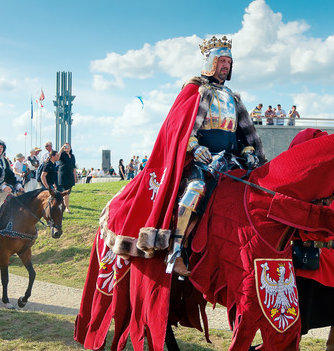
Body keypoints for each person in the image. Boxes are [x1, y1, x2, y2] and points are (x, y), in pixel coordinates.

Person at [97, 35, 265, 275]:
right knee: (194, 192)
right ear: (210, 63)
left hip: (231, 160)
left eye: (228, 62)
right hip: (201, 160)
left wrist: (249, 151)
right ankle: (176, 252)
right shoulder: (196, 90)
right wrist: (195, 148)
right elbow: (178, 130)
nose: (225, 66)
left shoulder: (233, 98)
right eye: (221, 61)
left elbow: (243, 135)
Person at [57, 142, 77, 212]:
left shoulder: (72, 156)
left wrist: (75, 176)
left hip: (70, 175)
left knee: (68, 191)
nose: (66, 148)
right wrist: (61, 149)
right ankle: (66, 207)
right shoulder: (62, 154)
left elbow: (74, 166)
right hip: (63, 174)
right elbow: (57, 157)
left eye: (68, 147)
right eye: (65, 147)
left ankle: (64, 206)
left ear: (70, 148)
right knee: (66, 191)